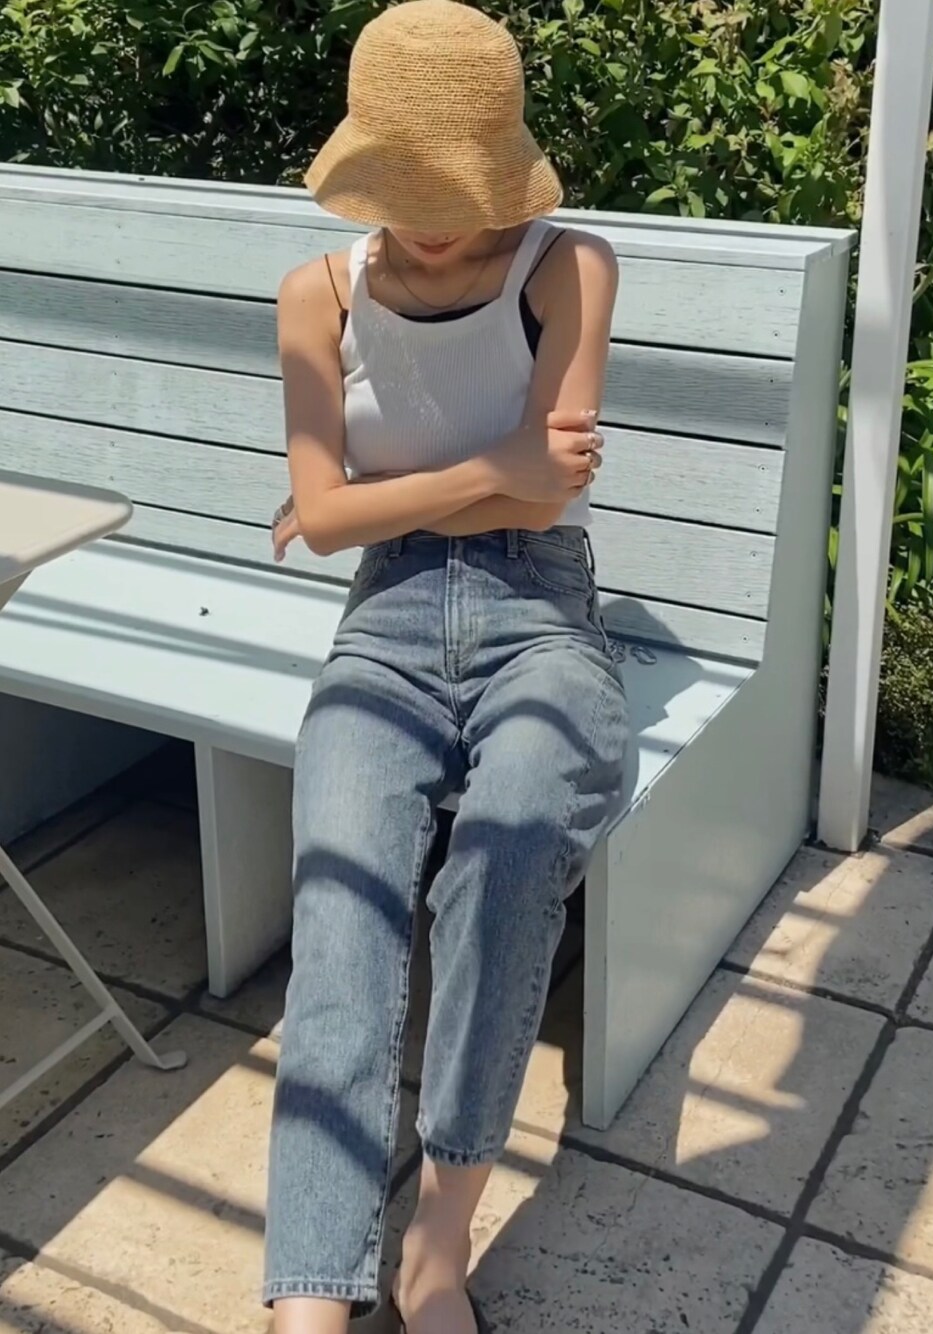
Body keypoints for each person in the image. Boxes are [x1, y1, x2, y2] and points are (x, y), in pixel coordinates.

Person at [265, 3, 628, 1331]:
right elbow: (328, 519)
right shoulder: (316, 295)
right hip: (388, 622)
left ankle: (439, 1239)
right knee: (341, 913)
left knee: (510, 848)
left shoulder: (567, 265)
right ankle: (308, 1298)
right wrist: (496, 467)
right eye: (404, 192)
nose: (428, 223)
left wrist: (377, 499)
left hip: (544, 618)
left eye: (452, 192)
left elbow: (540, 502)